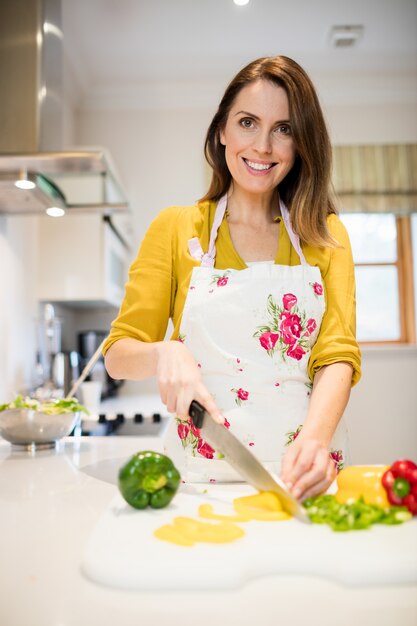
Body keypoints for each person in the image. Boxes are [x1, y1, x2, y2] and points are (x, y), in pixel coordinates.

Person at [103, 55, 361, 501]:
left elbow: (337, 355)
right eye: (247, 122)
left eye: (284, 129)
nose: (263, 145)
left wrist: (314, 441)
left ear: (301, 145)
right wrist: (164, 352)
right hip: (197, 483)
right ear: (221, 130)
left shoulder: (325, 234)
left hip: (304, 480)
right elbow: (118, 355)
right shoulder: (176, 228)